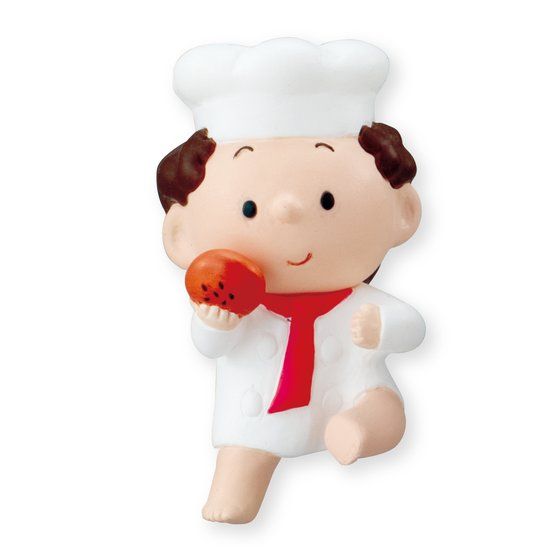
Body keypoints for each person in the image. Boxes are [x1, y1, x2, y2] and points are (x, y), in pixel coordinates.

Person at [157, 38, 425, 524]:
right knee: (244, 446)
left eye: (328, 201)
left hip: (351, 390)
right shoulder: (240, 305)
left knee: (383, 407)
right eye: (249, 208)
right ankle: (238, 486)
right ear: (180, 237)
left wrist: (382, 328)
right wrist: (215, 322)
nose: (287, 211)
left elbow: (412, 328)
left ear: (404, 212)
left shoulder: (356, 302)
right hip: (255, 412)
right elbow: (209, 345)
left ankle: (359, 430)